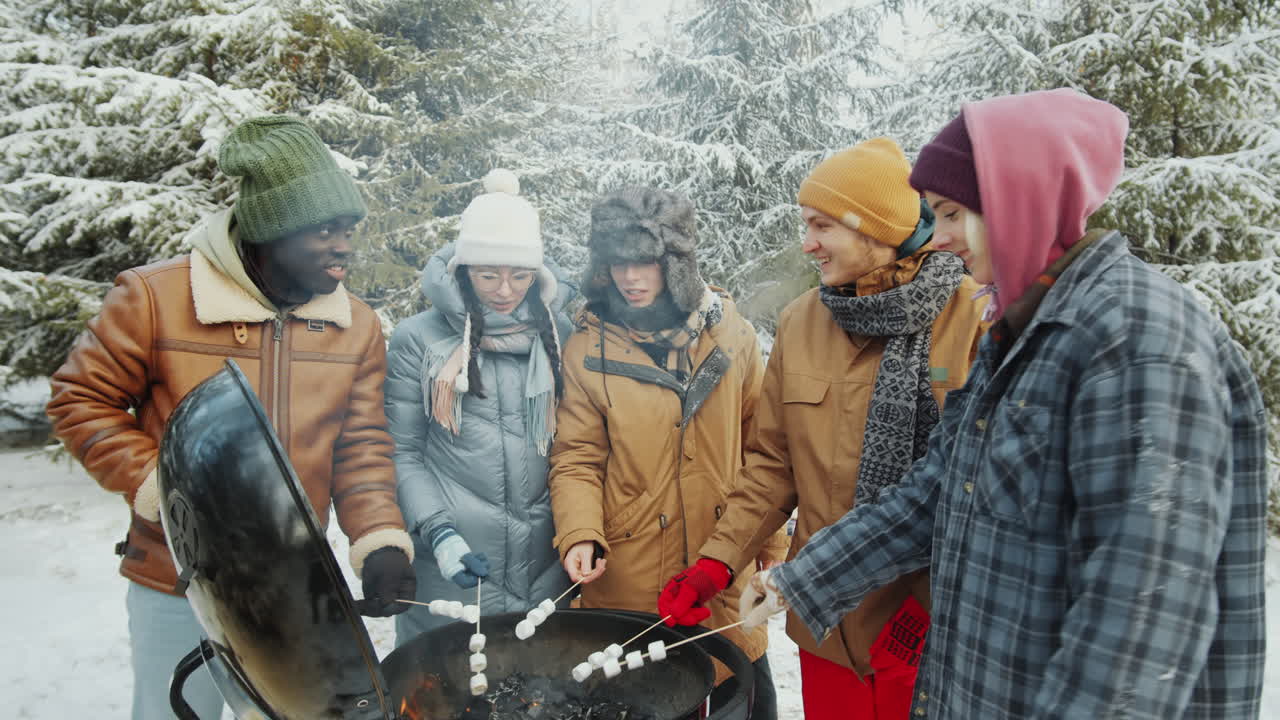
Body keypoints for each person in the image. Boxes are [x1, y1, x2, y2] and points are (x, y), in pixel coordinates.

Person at [739, 89, 1268, 719]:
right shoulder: (1019, 335)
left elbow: (1142, 613)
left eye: (954, 214)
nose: (938, 240)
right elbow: (938, 490)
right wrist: (801, 578)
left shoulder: (1133, 341)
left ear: (1021, 200)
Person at [46, 115, 417, 720]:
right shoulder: (156, 298)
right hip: (177, 576)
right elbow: (79, 399)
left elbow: (362, 445)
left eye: (349, 228)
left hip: (293, 591)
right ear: (272, 228)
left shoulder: (357, 324)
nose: (344, 244)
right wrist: (169, 494)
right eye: (325, 228)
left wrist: (379, 541)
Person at [658, 137, 990, 720]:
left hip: (930, 628)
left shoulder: (975, 316)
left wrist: (924, 615)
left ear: (878, 228)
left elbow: (977, 492)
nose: (807, 243)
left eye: (822, 226)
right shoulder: (802, 321)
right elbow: (771, 463)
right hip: (826, 622)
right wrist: (717, 562)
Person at [549, 187, 784, 719]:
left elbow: (763, 447)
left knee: (732, 691)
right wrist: (581, 532)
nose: (629, 277)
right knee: (646, 699)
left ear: (676, 262)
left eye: (645, 261)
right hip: (631, 574)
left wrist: (769, 537)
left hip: (721, 561)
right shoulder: (587, 348)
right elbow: (577, 456)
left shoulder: (733, 335)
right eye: (617, 262)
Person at [384, 170, 573, 641]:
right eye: (489, 274)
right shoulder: (420, 339)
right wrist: (440, 534)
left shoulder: (560, 336)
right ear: (464, 268)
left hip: (547, 576)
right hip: (452, 573)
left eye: (521, 275)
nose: (505, 290)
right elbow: (402, 452)